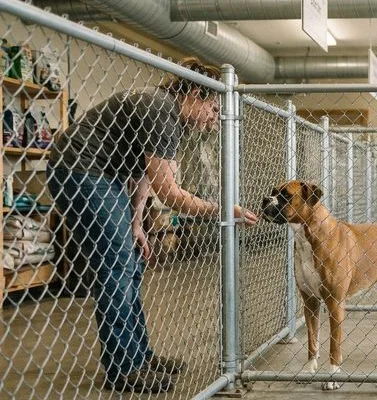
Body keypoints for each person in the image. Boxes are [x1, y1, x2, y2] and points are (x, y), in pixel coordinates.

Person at [46, 57, 259, 393]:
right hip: (80, 168)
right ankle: (124, 369)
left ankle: (140, 356)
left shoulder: (173, 119)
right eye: (213, 108)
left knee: (129, 265)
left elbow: (147, 176)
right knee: (116, 266)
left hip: (108, 175)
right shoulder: (160, 110)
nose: (214, 119)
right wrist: (221, 210)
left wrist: (135, 222)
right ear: (192, 94)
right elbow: (170, 193)